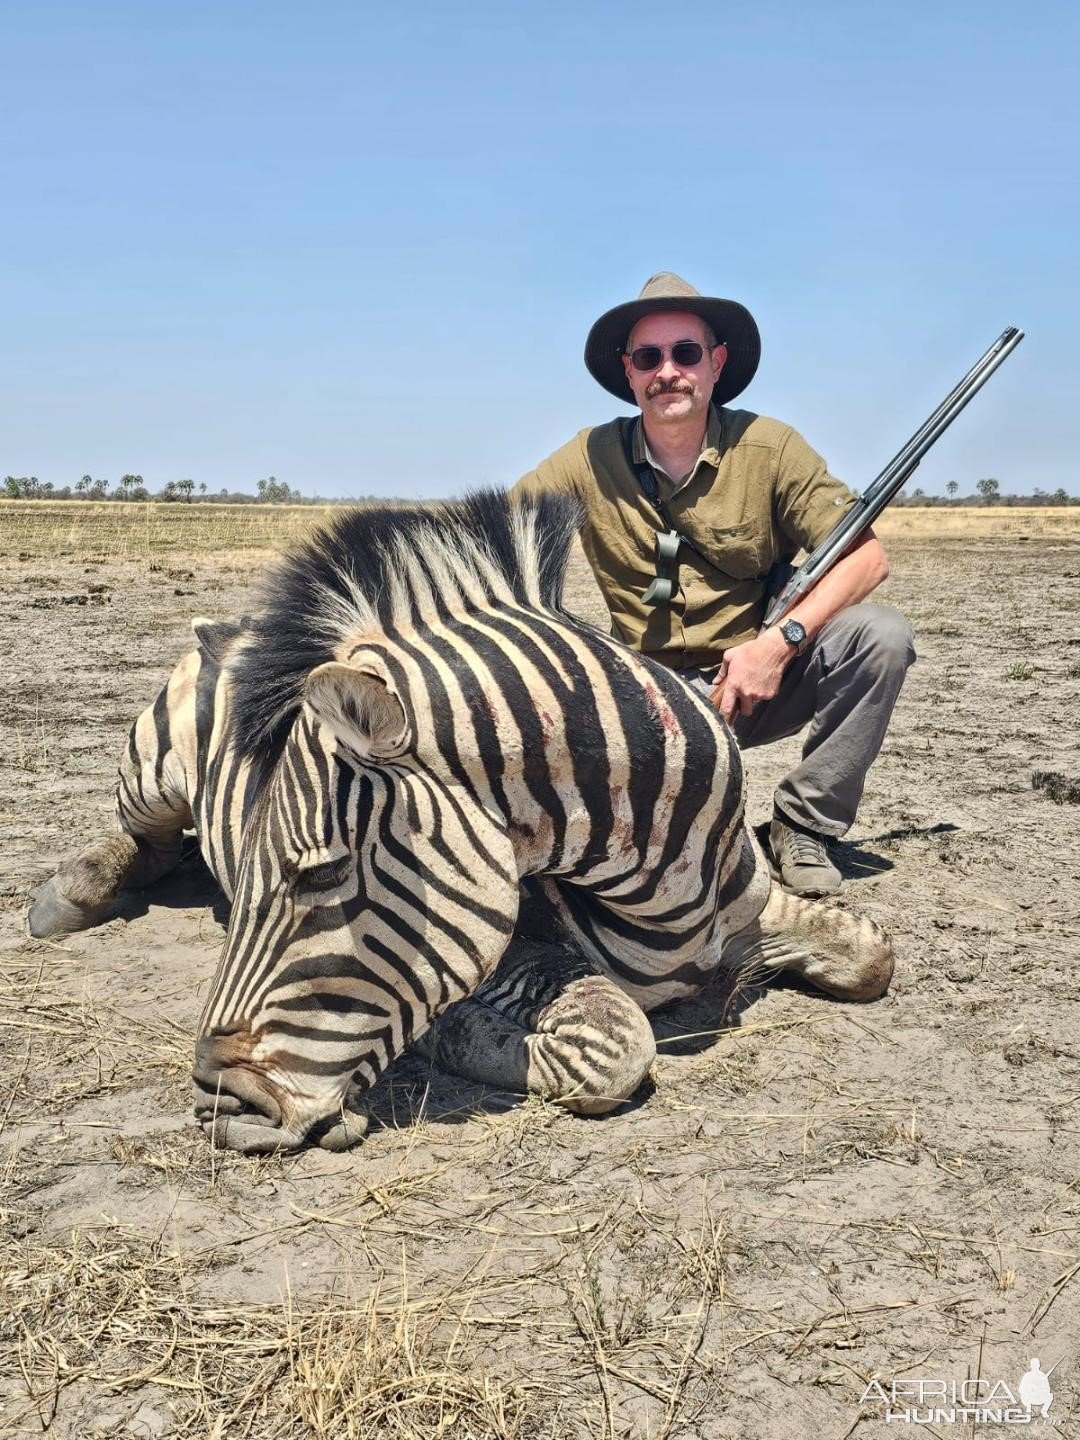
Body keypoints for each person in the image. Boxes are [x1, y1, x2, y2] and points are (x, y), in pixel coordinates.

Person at [512, 272, 915, 898]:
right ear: (629, 372)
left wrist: (776, 645)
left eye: (685, 353)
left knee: (880, 635)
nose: (667, 371)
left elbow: (866, 559)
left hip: (754, 683)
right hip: (641, 699)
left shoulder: (772, 447)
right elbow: (495, 532)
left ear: (716, 362)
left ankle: (804, 825)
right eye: (649, 357)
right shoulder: (585, 456)